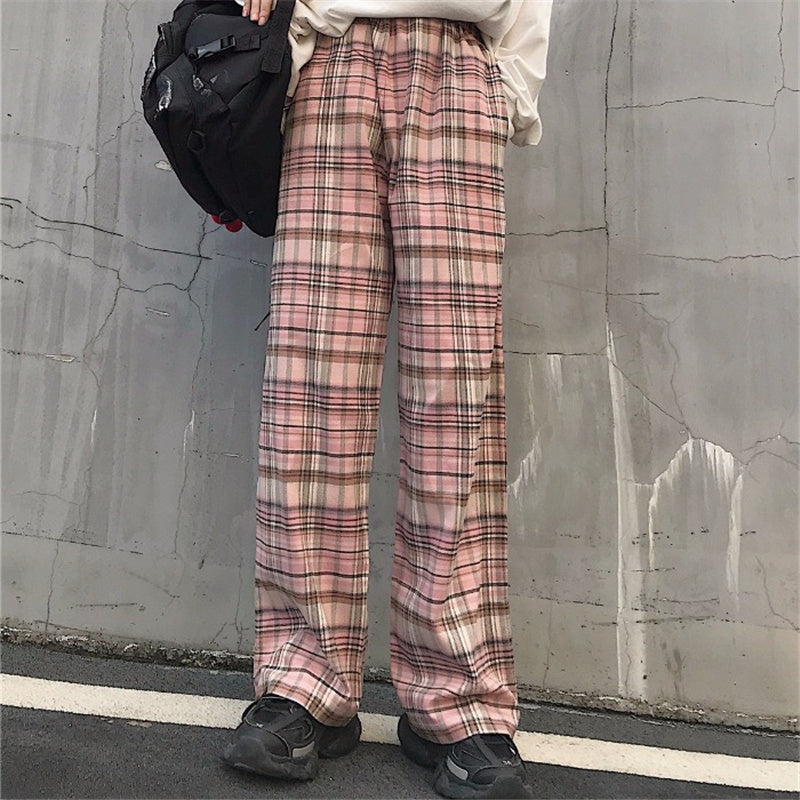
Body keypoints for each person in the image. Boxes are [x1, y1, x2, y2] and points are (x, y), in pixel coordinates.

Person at [222, 1, 552, 797]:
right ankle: (304, 679)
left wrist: (509, 82)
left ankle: (458, 697)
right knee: (311, 391)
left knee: (458, 396)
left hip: (460, 59)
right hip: (328, 61)